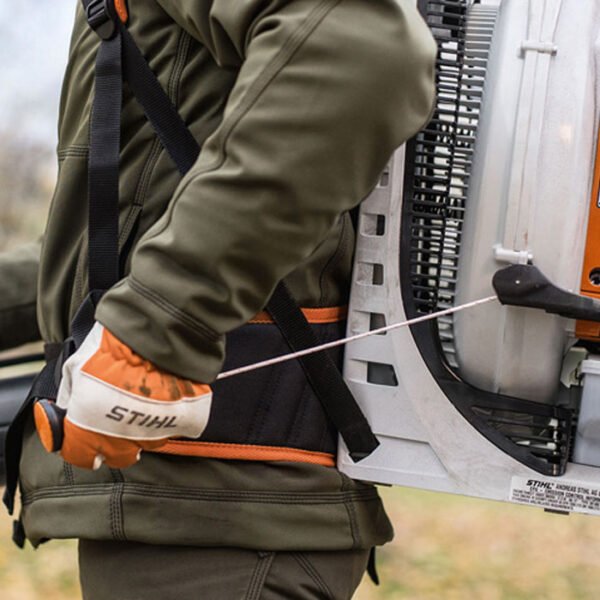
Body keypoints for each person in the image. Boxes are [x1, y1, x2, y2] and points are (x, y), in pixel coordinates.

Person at [1, 0, 436, 598]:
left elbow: (360, 49)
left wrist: (157, 326)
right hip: (188, 514)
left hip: (225, 524)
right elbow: (109, 242)